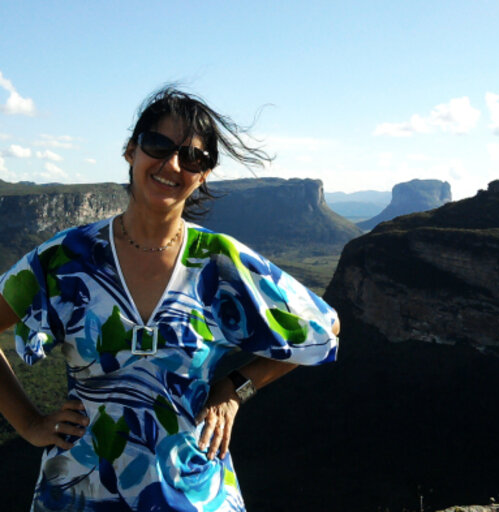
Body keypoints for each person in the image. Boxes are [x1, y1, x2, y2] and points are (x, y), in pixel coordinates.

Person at [0, 85, 340, 511]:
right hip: (81, 492)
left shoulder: (221, 263)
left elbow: (325, 326)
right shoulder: (65, 259)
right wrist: (29, 423)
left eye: (193, 156)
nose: (172, 164)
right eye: (158, 144)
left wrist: (236, 388)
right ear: (130, 151)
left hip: (194, 493)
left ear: (204, 175)